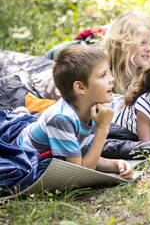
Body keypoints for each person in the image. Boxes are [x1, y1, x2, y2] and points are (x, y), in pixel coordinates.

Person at [15, 45, 133, 178]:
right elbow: (79, 172)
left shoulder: (92, 108)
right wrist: (103, 129)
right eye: (103, 75)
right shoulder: (61, 118)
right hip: (25, 155)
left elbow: (85, 156)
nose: (111, 79)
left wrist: (116, 164)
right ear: (80, 87)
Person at [103, 11, 150, 95]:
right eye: (142, 43)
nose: (149, 49)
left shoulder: (149, 78)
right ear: (124, 44)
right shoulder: (106, 74)